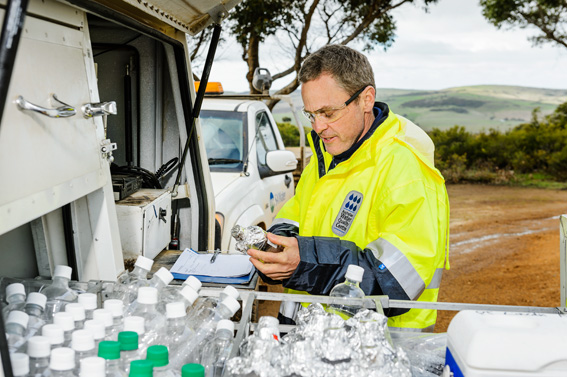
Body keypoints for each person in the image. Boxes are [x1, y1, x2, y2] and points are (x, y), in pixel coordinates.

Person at [247, 44, 449, 332]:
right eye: (311, 114)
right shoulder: (329, 154)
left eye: (328, 113)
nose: (318, 127)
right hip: (307, 335)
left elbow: (395, 282)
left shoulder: (406, 169)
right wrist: (277, 244)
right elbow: (293, 217)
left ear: (366, 99)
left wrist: (304, 261)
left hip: (377, 351)